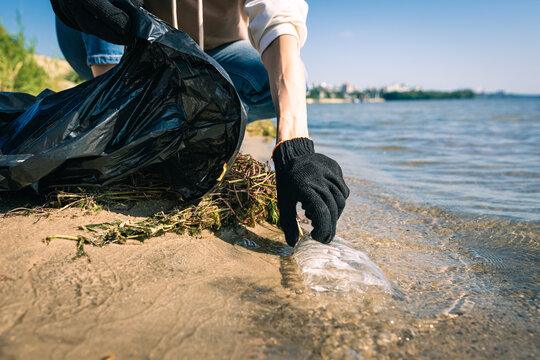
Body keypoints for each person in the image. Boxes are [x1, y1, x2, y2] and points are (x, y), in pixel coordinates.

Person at [50, 0, 349, 247]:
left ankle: (202, 119)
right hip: (127, 40)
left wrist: (294, 145)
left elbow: (279, 15)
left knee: (273, 83)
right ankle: (116, 113)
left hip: (217, 49)